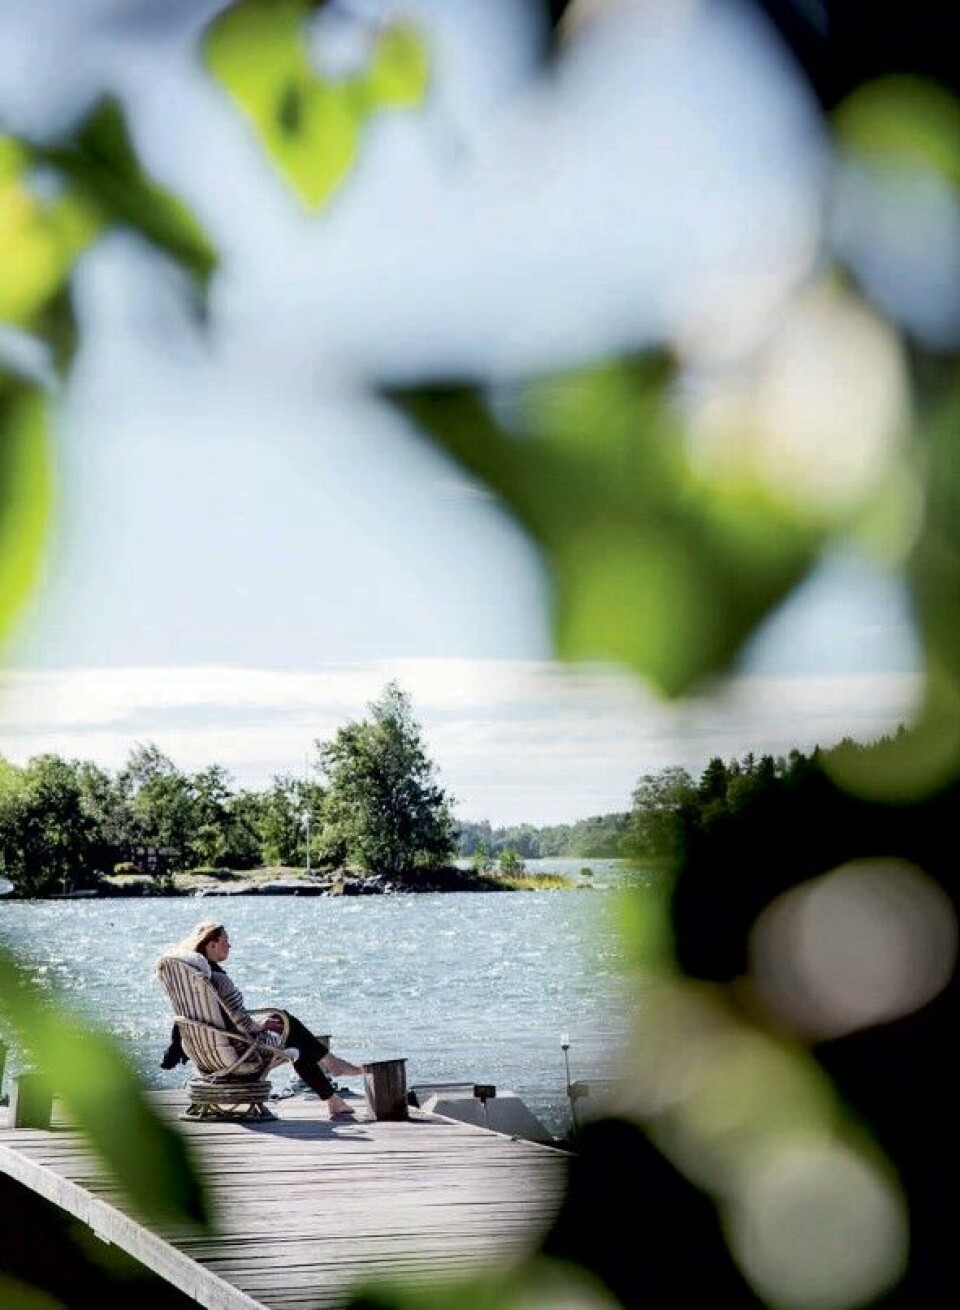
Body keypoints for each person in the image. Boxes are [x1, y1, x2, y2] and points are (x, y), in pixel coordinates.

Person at [158, 918, 364, 1119]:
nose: (229, 945)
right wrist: (260, 1026)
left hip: (207, 1053)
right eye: (225, 941)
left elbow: (220, 1019)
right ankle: (332, 1070)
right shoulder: (219, 979)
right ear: (211, 945)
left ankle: (333, 1090)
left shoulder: (195, 984)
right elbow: (240, 1020)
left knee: (288, 1028)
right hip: (241, 1053)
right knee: (290, 1029)